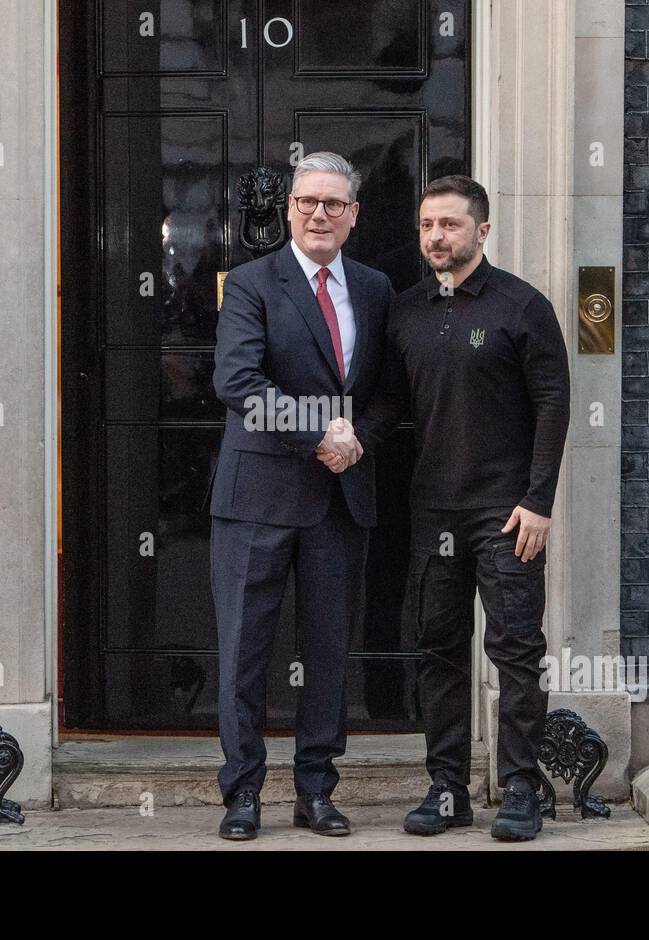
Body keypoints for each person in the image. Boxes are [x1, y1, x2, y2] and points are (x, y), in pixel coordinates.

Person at [326, 174, 570, 842]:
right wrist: (352, 441)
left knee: (516, 648)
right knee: (437, 650)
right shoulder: (404, 310)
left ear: (482, 231)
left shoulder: (523, 307)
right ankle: (447, 789)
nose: (436, 236)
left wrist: (539, 501)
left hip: (506, 512)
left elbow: (554, 401)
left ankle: (521, 788)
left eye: (451, 225)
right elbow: (392, 404)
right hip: (433, 510)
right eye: (428, 225)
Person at [210, 151, 393, 840]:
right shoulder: (253, 283)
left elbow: (386, 396)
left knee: (328, 654)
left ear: (353, 216)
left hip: (340, 501)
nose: (320, 214)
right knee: (243, 652)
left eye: (334, 205)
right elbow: (237, 382)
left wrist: (358, 439)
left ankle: (317, 789)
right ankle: (243, 792)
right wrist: (320, 432)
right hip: (256, 495)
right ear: (289, 209)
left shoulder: (375, 289)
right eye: (308, 202)